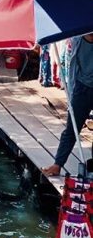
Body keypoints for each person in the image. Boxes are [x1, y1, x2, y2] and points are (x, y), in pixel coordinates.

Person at [43, 34, 93, 177]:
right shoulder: (77, 39)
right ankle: (58, 164)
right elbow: (71, 68)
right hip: (82, 88)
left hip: (82, 87)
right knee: (72, 129)